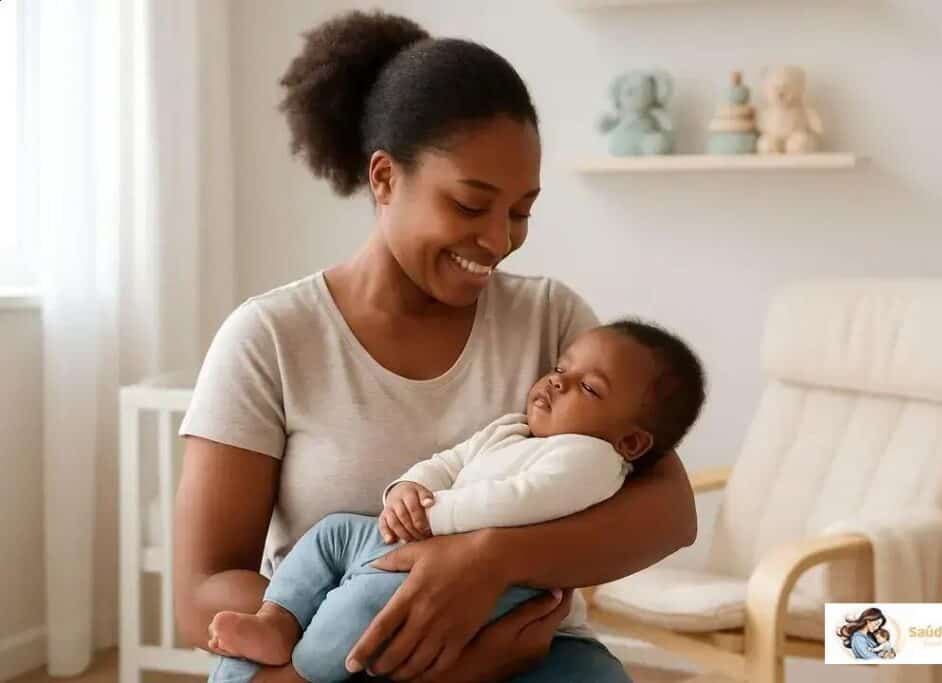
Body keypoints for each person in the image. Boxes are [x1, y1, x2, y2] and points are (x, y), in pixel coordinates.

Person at [174, 10, 698, 683]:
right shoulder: (270, 337)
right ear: (385, 178)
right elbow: (203, 591)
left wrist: (488, 563)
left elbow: (669, 510)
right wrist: (389, 641)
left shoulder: (554, 322)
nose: (500, 239)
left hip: (521, 646)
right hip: (335, 644)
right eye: (471, 204)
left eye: (521, 211)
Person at [205, 322, 706, 682]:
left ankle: (312, 658)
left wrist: (443, 523)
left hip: (483, 584)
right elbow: (448, 461)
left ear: (633, 443)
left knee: (363, 613)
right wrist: (407, 489)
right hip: (400, 543)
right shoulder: (512, 430)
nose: (557, 381)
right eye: (560, 368)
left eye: (588, 388)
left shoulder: (590, 457)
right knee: (333, 532)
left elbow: (523, 502)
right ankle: (277, 622)